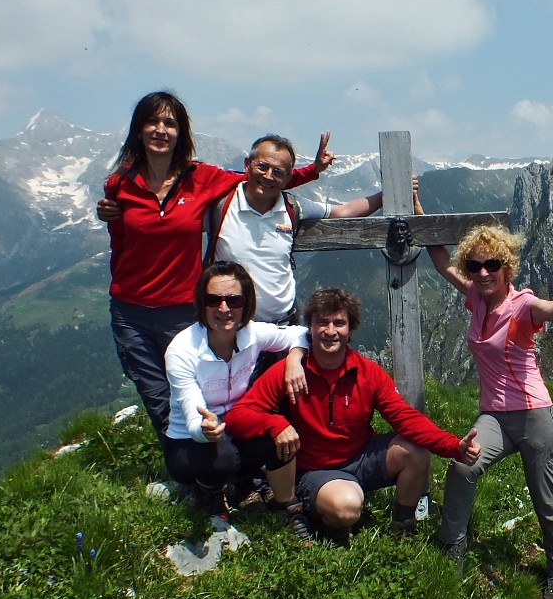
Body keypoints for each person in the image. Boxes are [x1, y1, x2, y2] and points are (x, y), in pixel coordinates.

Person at [415, 189, 553, 599]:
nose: (484, 272)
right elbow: (438, 260)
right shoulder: (474, 297)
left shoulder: (521, 304)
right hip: (494, 417)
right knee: (461, 466)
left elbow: (549, 307)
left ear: (507, 267)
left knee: (545, 497)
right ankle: (452, 546)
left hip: (534, 417)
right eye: (476, 265)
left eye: (493, 264)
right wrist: (418, 208)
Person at [100, 91, 333, 445]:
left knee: (194, 390)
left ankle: (213, 466)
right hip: (130, 310)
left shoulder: (202, 178)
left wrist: (311, 172)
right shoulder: (119, 184)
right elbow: (120, 241)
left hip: (181, 306)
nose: (160, 130)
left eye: (170, 123)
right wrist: (107, 212)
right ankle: (188, 468)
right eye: (153, 121)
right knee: (155, 394)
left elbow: (262, 180)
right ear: (138, 129)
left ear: (181, 133)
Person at [225, 288, 481, 545]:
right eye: (322, 322)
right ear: (310, 328)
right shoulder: (290, 372)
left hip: (361, 456)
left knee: (415, 451)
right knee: (346, 508)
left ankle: (402, 524)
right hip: (316, 469)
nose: (330, 331)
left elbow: (405, 418)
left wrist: (453, 446)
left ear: (350, 329)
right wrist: (274, 423)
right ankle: (317, 514)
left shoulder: (367, 372)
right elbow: (238, 416)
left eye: (339, 323)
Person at [205, 134, 384, 379]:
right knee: (235, 404)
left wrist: (387, 195)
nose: (268, 176)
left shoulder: (292, 207)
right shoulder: (220, 204)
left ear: (289, 177)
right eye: (262, 166)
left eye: (278, 172)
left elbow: (343, 212)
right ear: (247, 165)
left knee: (285, 402)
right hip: (231, 328)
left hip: (282, 330)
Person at [163, 261, 311, 516]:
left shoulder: (252, 334)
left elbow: (300, 333)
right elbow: (191, 416)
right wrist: (204, 429)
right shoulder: (182, 350)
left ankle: (284, 506)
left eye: (234, 300)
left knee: (281, 437)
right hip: (189, 441)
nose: (224, 308)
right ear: (202, 303)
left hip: (235, 424)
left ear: (246, 304)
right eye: (213, 300)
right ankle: (206, 492)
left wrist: (295, 359)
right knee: (225, 458)